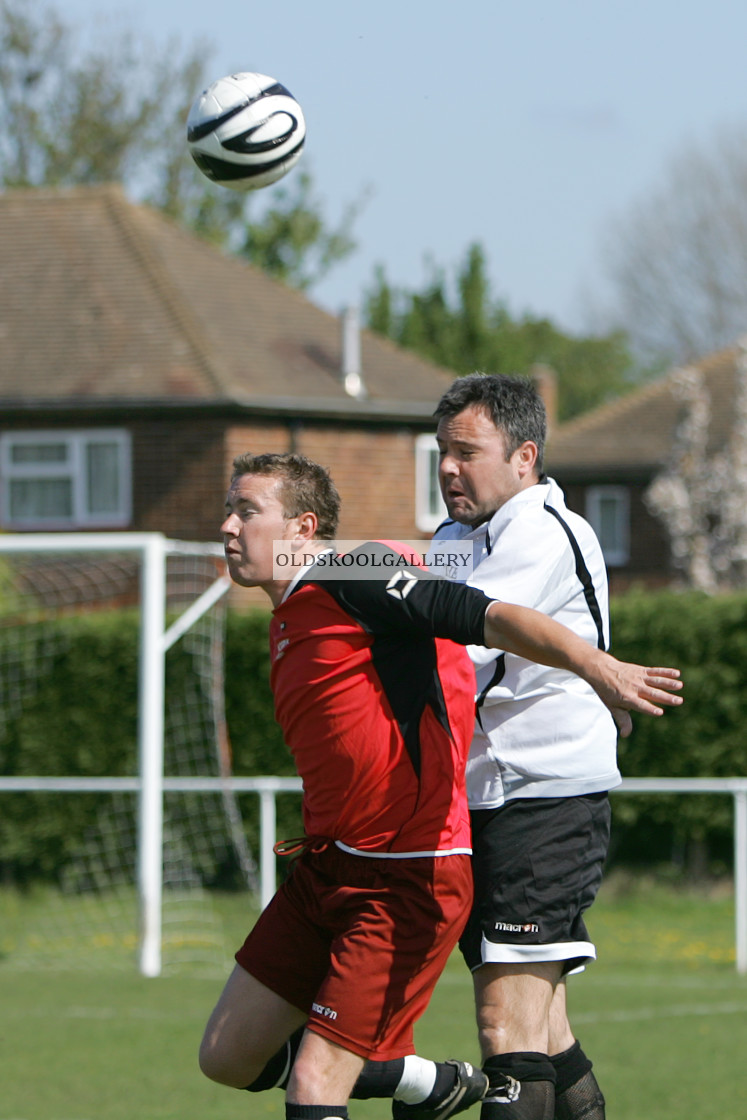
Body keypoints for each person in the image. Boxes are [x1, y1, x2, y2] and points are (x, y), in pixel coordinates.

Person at [198, 451, 682, 1120]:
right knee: (225, 1056)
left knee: (316, 1083)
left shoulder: (353, 570)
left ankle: (384, 1078)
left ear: (303, 527)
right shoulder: (289, 614)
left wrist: (593, 666)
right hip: (325, 870)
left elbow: (484, 613)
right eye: (228, 509)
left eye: (246, 511)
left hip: (402, 876)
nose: (227, 525)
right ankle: (425, 1084)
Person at [413, 372, 636, 1120]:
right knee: (545, 1030)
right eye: (442, 451)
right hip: (483, 800)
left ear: (523, 458)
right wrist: (304, 561)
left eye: (465, 453)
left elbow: (455, 651)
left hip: (544, 800)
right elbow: (401, 594)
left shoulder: (541, 532)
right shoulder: (453, 538)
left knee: (505, 1030)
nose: (447, 468)